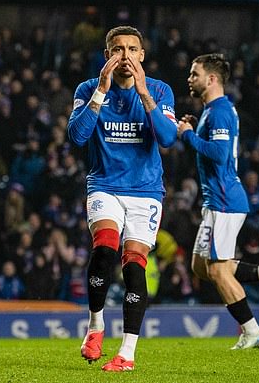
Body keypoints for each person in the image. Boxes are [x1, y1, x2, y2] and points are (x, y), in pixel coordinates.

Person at [68, 25, 177, 372]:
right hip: (104, 185)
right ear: (107, 57)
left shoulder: (160, 90)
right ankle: (96, 325)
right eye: (118, 49)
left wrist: (145, 95)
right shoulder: (88, 89)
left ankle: (127, 353)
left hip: (145, 191)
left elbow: (168, 138)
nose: (126, 56)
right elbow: (77, 136)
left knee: (133, 265)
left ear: (142, 56)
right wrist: (101, 91)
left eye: (132, 49)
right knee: (104, 248)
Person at [178, 53, 259, 350]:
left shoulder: (219, 111)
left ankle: (252, 330)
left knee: (218, 270)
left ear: (212, 79)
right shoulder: (213, 110)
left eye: (195, 74)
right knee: (200, 267)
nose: (190, 79)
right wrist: (195, 129)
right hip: (216, 200)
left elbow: (218, 154)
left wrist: (189, 135)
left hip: (224, 201)